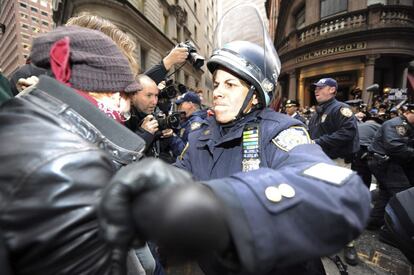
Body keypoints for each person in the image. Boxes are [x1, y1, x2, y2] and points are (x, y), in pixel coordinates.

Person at [173, 4, 370, 274]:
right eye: (217, 84)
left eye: (231, 85)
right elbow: (176, 177)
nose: (217, 92)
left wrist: (231, 199)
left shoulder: (280, 130)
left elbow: (338, 191)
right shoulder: (199, 136)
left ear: (255, 95)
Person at [307, 77, 361, 266]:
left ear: (332, 90)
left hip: (337, 162)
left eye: (321, 88)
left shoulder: (340, 109)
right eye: (315, 88)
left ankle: (349, 243)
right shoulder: (316, 114)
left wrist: (318, 142)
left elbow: (348, 133)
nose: (316, 91)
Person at [366, 103, 414, 230]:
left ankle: (374, 221)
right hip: (385, 162)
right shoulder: (397, 124)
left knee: (386, 193)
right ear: (409, 112)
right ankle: (394, 230)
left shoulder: (407, 125)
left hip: (386, 162)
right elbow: (394, 146)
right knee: (402, 194)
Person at [126, 74, 184, 162]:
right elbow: (123, 157)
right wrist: (144, 134)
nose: (154, 101)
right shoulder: (122, 119)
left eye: (156, 95)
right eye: (149, 95)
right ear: (133, 96)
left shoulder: (151, 116)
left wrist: (165, 136)